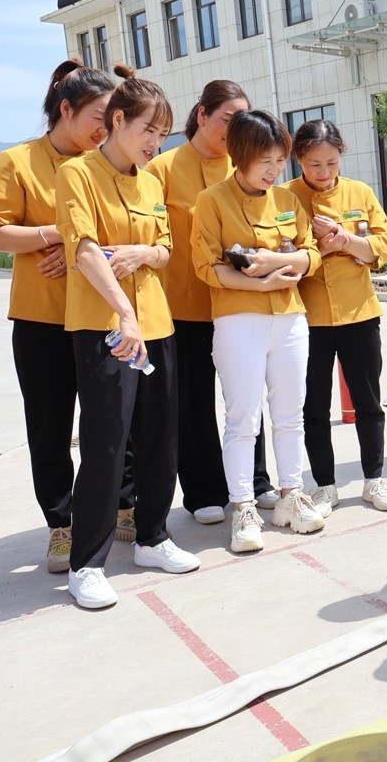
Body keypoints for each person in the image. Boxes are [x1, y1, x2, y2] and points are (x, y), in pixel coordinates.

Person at [0, 60, 140, 575]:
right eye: (98, 115)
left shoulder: (111, 164)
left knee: (115, 420)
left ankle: (124, 504)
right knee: (49, 426)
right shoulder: (17, 161)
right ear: (64, 109)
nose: (105, 127)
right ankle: (62, 524)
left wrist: (83, 246)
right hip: (43, 318)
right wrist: (60, 234)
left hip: (99, 314)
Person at [55, 71, 201, 609]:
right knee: (107, 445)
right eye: (147, 130)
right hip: (105, 326)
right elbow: (86, 250)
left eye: (162, 135)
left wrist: (144, 254)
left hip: (157, 323)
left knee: (161, 437)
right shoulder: (77, 175)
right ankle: (86, 563)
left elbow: (164, 247)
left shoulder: (150, 179)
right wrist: (125, 315)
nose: (153, 143)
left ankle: (153, 537)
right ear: (117, 120)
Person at [146, 80, 279, 527]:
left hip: (240, 304)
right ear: (202, 115)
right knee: (194, 403)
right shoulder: (162, 169)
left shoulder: (243, 169)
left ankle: (257, 482)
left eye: (241, 120)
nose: (233, 128)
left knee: (246, 399)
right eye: (226, 119)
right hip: (182, 306)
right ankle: (203, 491)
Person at [191, 109, 323, 553]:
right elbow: (207, 266)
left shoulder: (288, 200)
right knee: (242, 418)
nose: (274, 170)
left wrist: (282, 264)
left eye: (279, 160)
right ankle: (244, 506)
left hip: (289, 317)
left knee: (290, 414)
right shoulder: (211, 200)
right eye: (265, 160)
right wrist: (258, 280)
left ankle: (291, 494)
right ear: (239, 155)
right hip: (237, 321)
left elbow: (311, 254)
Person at [283, 119, 387, 513]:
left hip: (359, 313)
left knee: (368, 402)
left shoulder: (360, 192)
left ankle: (374, 481)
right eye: (314, 163)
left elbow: (382, 249)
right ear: (298, 158)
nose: (324, 172)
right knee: (313, 406)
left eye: (331, 162)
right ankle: (325, 486)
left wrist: (346, 240)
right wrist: (319, 248)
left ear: (341, 155)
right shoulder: (283, 198)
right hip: (306, 318)